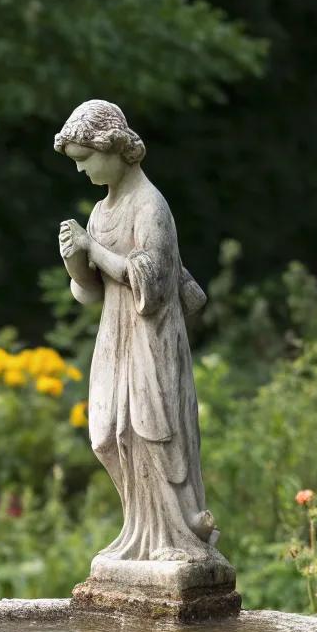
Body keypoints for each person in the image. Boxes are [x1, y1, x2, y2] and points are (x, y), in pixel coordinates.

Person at [56, 99, 216, 565]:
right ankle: (138, 531)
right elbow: (89, 293)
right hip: (115, 335)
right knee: (108, 434)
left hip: (151, 336)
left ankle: (176, 536)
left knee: (152, 430)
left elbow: (154, 280)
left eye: (85, 159)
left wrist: (93, 249)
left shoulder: (150, 205)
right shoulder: (100, 212)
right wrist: (74, 257)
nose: (81, 171)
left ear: (114, 148)